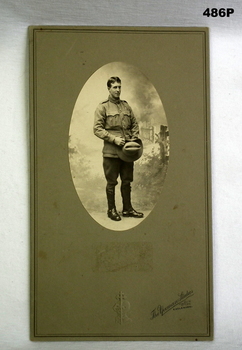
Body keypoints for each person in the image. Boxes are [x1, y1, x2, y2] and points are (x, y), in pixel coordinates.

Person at [93, 76, 144, 221]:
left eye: (119, 87)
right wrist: (114, 139)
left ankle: (127, 209)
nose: (118, 90)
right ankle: (111, 210)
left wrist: (134, 138)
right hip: (111, 153)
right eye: (115, 87)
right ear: (108, 88)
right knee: (112, 182)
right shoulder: (102, 107)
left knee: (127, 181)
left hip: (127, 152)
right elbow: (97, 129)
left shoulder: (126, 106)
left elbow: (134, 124)